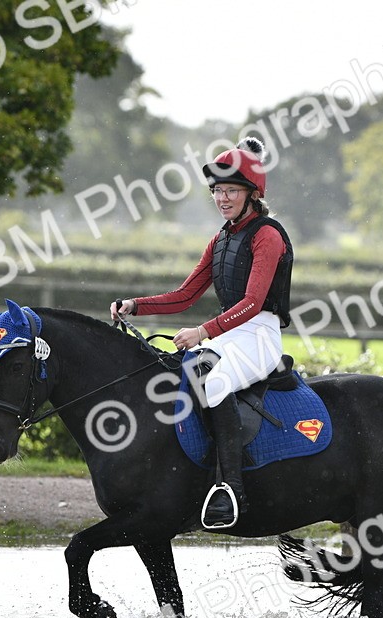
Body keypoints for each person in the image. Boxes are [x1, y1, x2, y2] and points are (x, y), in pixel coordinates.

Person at [110, 136, 294, 529]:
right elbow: (184, 295)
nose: (223, 198)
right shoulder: (221, 239)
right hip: (230, 334)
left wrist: (202, 331)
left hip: (259, 334)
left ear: (251, 193)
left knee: (214, 383)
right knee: (179, 376)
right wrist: (136, 305)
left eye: (231, 190)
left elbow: (253, 301)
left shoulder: (268, 235)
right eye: (217, 191)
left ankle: (231, 491)